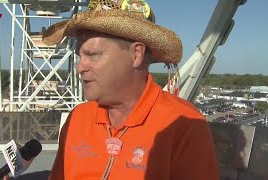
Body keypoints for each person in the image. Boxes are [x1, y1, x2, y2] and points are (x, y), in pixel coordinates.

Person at [42, 0, 219, 179]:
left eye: (93, 55)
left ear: (136, 55)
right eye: (80, 55)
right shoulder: (78, 118)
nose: (80, 67)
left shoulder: (183, 124)